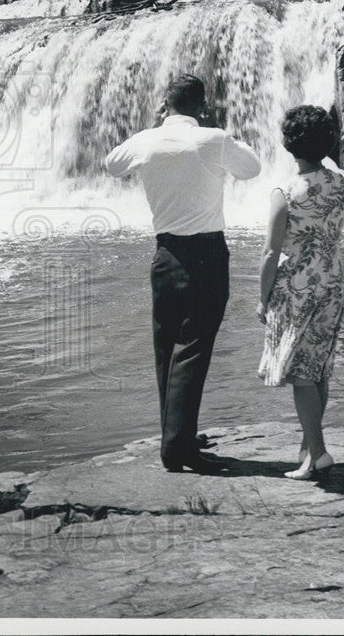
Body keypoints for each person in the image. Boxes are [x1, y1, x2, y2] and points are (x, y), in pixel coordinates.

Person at [104, 74, 261, 474]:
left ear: (165, 104)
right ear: (202, 106)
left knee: (167, 347)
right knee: (194, 347)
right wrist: (226, 136)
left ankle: (177, 434)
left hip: (165, 253)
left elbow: (111, 165)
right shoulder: (214, 138)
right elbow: (253, 169)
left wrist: (153, 129)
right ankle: (177, 449)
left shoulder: (145, 140)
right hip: (207, 251)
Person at [256, 105, 344, 480]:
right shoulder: (342, 183)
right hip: (332, 281)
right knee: (318, 367)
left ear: (287, 143)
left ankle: (318, 454)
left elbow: (269, 252)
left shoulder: (286, 193)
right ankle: (309, 449)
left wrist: (262, 299)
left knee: (300, 373)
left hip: (298, 289)